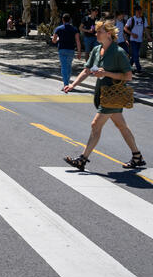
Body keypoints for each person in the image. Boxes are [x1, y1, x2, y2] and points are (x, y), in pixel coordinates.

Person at [62, 19, 145, 171]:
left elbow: (128, 76)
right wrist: (72, 85)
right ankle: (137, 156)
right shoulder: (96, 50)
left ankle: (82, 159)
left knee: (95, 125)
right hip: (102, 94)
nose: (96, 34)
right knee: (121, 126)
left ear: (108, 34)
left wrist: (106, 73)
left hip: (112, 96)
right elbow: (87, 70)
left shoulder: (118, 52)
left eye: (99, 32)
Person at [52, 13, 83, 89]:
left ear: (62, 20)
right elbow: (78, 41)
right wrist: (79, 52)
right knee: (68, 66)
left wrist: (58, 39)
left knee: (64, 67)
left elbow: (54, 40)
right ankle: (67, 83)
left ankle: (66, 84)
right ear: (70, 20)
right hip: (71, 50)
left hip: (62, 49)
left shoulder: (58, 29)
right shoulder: (74, 29)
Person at [124, 5, 149, 74]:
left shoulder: (144, 19)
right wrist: (132, 34)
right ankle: (139, 69)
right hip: (133, 40)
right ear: (135, 12)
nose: (139, 12)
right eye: (138, 11)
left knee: (135, 55)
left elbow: (146, 29)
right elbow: (125, 28)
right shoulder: (131, 19)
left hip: (139, 40)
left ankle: (128, 67)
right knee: (136, 55)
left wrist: (149, 36)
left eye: (140, 11)